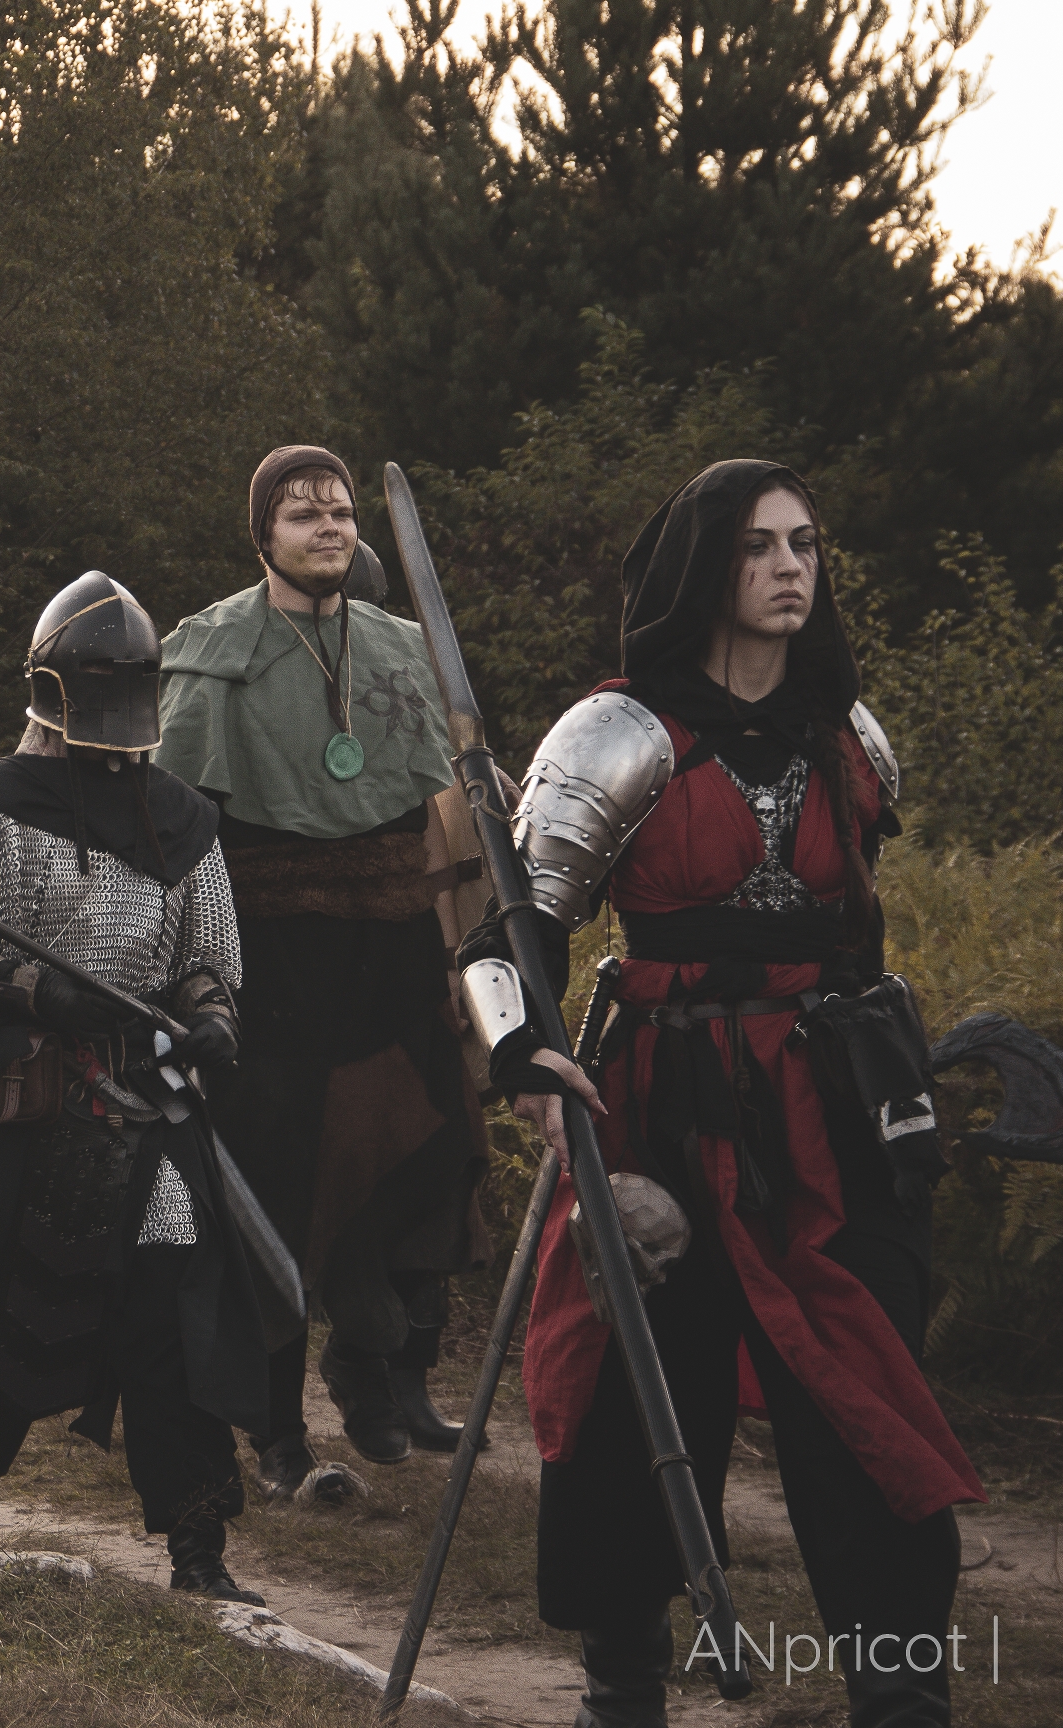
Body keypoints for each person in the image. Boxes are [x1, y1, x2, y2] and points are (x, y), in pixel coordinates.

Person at [458, 461, 978, 1728]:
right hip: (662, 1110)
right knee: (635, 1394)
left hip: (832, 1116)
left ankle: (899, 1690)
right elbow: (505, 940)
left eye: (805, 544)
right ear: (705, 568)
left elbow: (860, 934)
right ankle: (623, 1685)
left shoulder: (850, 736)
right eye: (759, 547)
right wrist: (524, 1060)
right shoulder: (616, 734)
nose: (791, 568)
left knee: (868, 1388)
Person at [0, 571, 273, 1602]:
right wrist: (36, 990)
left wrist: (211, 1014)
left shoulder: (182, 819)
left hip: (146, 1106)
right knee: (7, 1307)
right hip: (22, 1099)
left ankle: (199, 1548)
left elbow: (208, 959)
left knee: (173, 1310)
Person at [152, 446, 491, 1496]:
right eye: (304, 515)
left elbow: (436, 808)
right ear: (264, 533)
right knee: (278, 1179)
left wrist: (460, 938)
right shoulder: (211, 648)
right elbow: (181, 825)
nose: (329, 527)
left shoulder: (402, 645)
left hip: (395, 940)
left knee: (431, 1143)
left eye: (340, 512)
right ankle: (274, 1426)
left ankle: (375, 1360)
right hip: (273, 950)